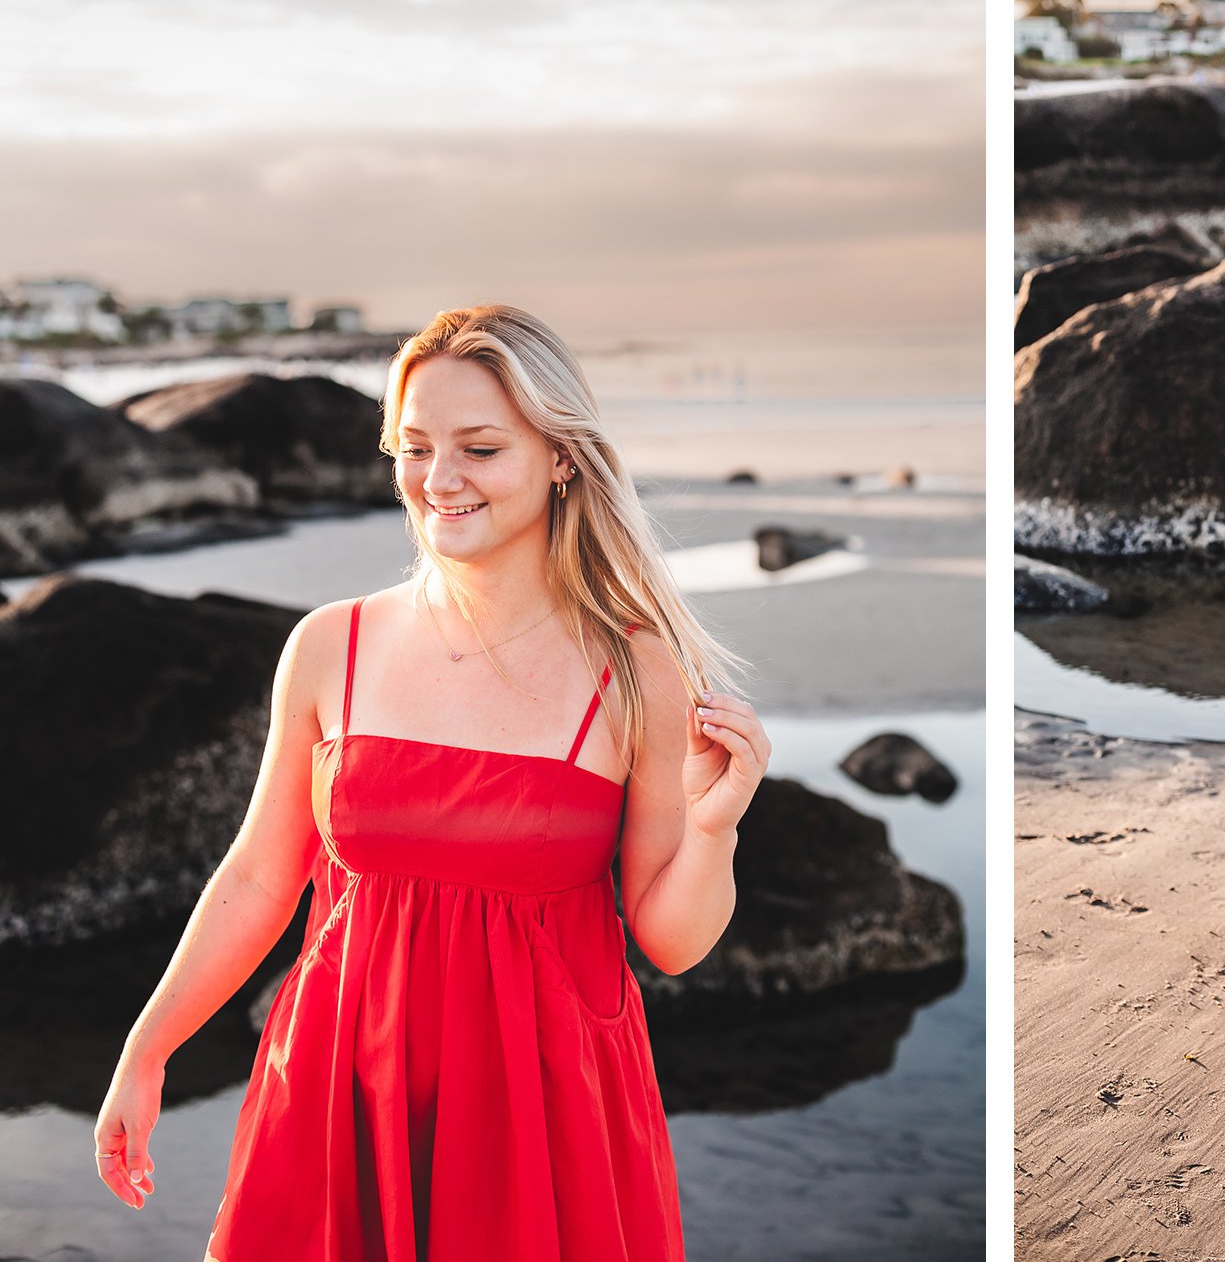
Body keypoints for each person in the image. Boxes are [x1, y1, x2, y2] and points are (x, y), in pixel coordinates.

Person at [91, 305, 772, 1258]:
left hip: (538, 1121)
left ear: (561, 458)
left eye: (481, 448)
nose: (439, 481)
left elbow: (671, 940)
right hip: (336, 1090)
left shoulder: (634, 667)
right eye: (414, 447)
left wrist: (716, 829)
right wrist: (147, 1049)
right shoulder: (332, 646)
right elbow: (257, 878)